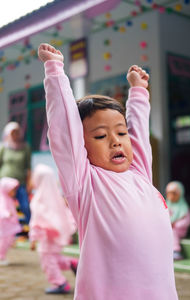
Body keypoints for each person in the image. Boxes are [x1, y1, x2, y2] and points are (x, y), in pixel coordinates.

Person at [38, 43, 178, 300]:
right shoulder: (85, 182)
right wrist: (55, 71)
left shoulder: (140, 173)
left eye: (121, 133)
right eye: (101, 135)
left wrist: (138, 92)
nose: (116, 141)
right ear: (81, 145)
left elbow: (140, 137)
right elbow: (64, 131)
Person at [29, 164, 78, 294]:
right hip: (56, 236)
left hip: (46, 238)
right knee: (54, 258)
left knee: (47, 262)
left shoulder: (39, 199)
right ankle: (71, 263)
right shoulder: (56, 198)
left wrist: (33, 238)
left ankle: (61, 283)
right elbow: (65, 215)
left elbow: (36, 221)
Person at [0, 122, 31, 227]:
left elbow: (28, 167)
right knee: (5, 207)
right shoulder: (3, 147)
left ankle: (31, 229)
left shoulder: (25, 148)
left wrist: (29, 184)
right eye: (13, 133)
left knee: (25, 206)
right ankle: (5, 230)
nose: (15, 135)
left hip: (20, 184)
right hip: (5, 185)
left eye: (17, 132)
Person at [166, 181, 190, 261]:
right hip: (167, 228)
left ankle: (176, 250)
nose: (171, 196)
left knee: (173, 232)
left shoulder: (183, 207)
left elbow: (187, 221)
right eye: (169, 193)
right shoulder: (167, 205)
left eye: (174, 193)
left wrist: (176, 224)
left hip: (179, 230)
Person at [0, 177, 21, 265]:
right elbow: (2, 210)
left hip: (9, 225)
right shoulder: (3, 198)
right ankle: (1, 257)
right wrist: (7, 214)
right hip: (5, 225)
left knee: (8, 241)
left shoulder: (8, 198)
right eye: (12, 190)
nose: (14, 192)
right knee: (4, 242)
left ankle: (2, 256)